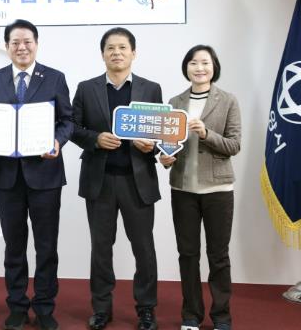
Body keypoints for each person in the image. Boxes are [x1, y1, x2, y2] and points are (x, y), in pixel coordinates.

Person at [0, 19, 73, 330]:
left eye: (27, 42)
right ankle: (17, 305)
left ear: (36, 44)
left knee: (46, 246)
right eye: (15, 42)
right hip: (7, 176)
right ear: (7, 46)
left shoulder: (55, 78)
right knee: (14, 246)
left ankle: (45, 306)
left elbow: (67, 120)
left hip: (45, 175)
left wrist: (57, 141)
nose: (21, 47)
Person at [71, 27, 162, 330]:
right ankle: (101, 308)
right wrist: (96, 139)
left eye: (123, 47)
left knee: (144, 249)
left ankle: (146, 309)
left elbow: (159, 131)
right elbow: (72, 127)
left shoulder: (151, 89)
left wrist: (150, 146)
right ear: (103, 54)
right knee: (100, 249)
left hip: (138, 182)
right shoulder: (86, 88)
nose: (117, 52)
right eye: (110, 48)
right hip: (101, 182)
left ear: (133, 53)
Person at [158, 45, 240, 330]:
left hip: (218, 189)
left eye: (205, 62)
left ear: (214, 67)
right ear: (186, 68)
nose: (199, 68)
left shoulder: (227, 100)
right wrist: (164, 158)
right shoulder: (175, 101)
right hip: (183, 190)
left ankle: (222, 317)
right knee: (188, 254)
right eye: (193, 63)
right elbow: (168, 144)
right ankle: (191, 315)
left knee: (218, 256)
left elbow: (234, 145)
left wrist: (206, 134)